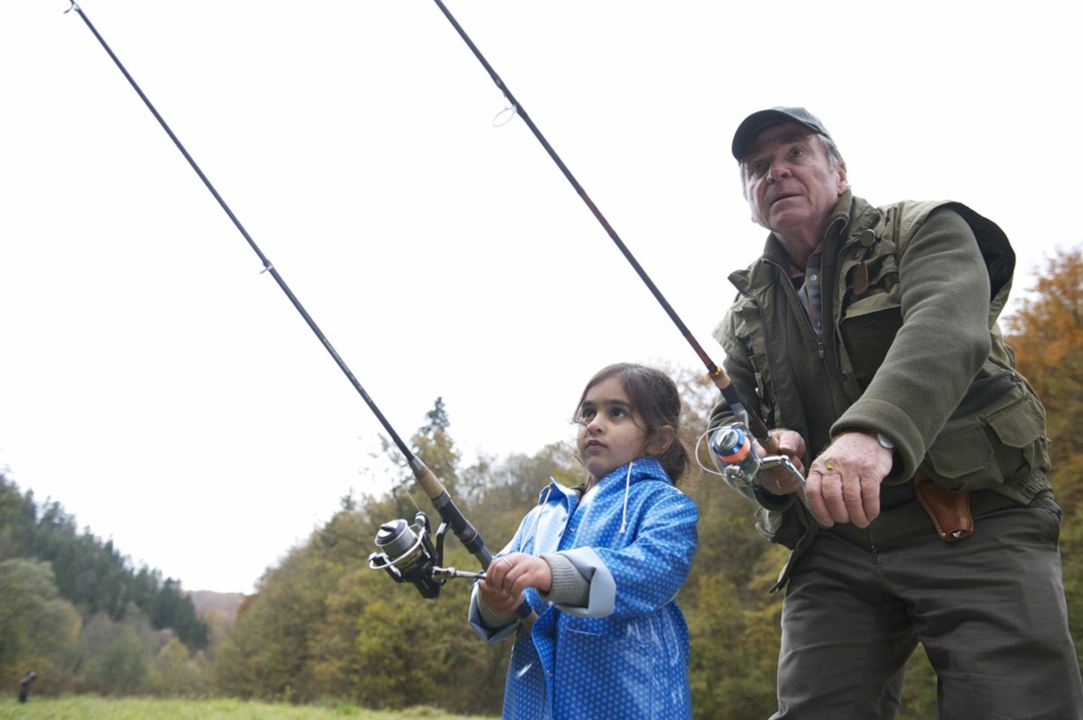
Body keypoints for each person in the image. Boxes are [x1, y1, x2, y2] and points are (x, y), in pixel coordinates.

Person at [709, 106, 1083, 719]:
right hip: (835, 544)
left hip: (974, 516)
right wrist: (761, 464)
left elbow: (947, 325)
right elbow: (730, 423)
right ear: (750, 199)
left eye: (795, 154)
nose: (775, 172)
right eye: (757, 167)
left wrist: (871, 432)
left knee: (1017, 706)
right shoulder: (745, 311)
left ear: (841, 171)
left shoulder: (925, 230)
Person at [469, 362, 699, 719]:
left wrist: (552, 572)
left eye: (617, 412)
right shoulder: (542, 514)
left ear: (659, 440)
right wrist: (494, 599)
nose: (594, 423)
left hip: (633, 703)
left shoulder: (666, 504)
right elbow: (498, 603)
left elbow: (653, 570)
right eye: (588, 412)